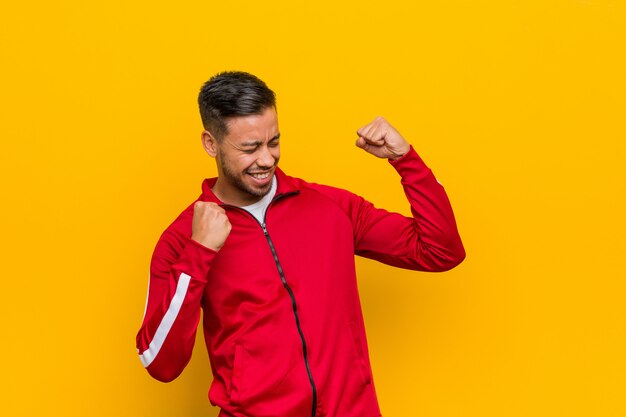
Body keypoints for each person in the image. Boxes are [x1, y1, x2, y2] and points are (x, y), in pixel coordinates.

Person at [136, 71, 465, 417]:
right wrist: (199, 254)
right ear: (210, 143)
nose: (266, 159)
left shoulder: (330, 207)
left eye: (273, 142)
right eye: (249, 148)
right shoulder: (183, 240)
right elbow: (160, 363)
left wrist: (405, 160)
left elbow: (441, 250)